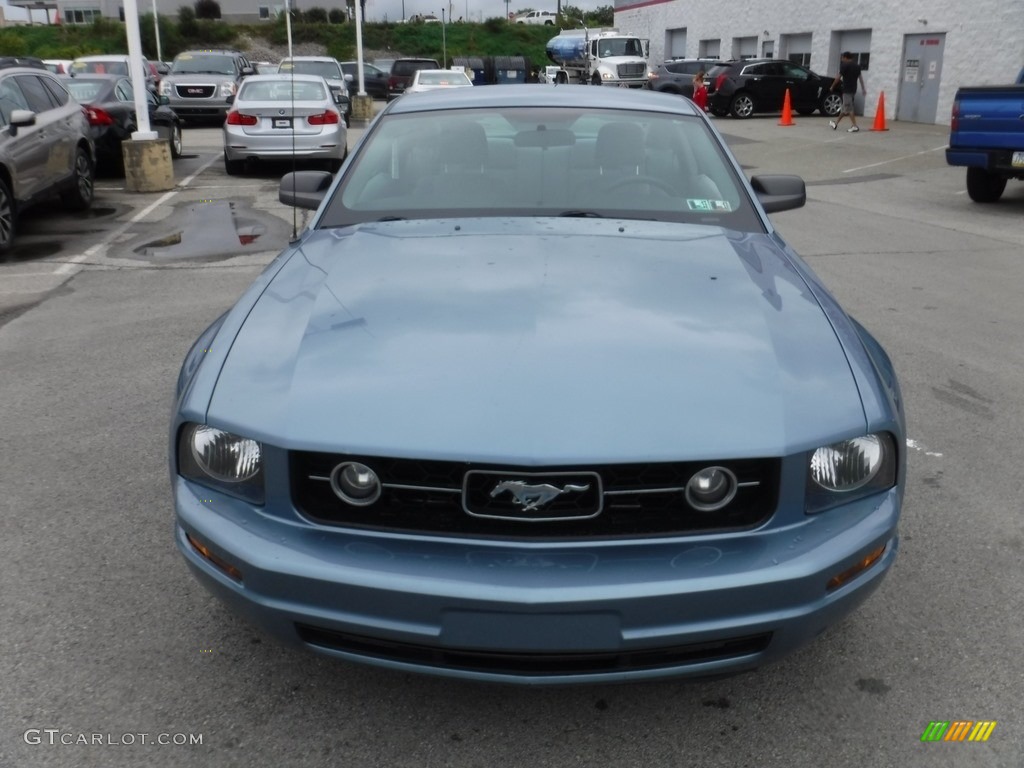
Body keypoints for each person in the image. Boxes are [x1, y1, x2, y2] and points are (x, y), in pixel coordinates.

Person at [829, 52, 866, 132]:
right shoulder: (857, 66)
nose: (842, 59)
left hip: (847, 90)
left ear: (846, 57)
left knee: (849, 108)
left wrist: (832, 86)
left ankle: (855, 126)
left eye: (842, 58)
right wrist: (863, 89)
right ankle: (836, 123)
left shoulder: (844, 66)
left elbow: (838, 77)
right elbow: (860, 78)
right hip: (853, 90)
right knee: (845, 107)